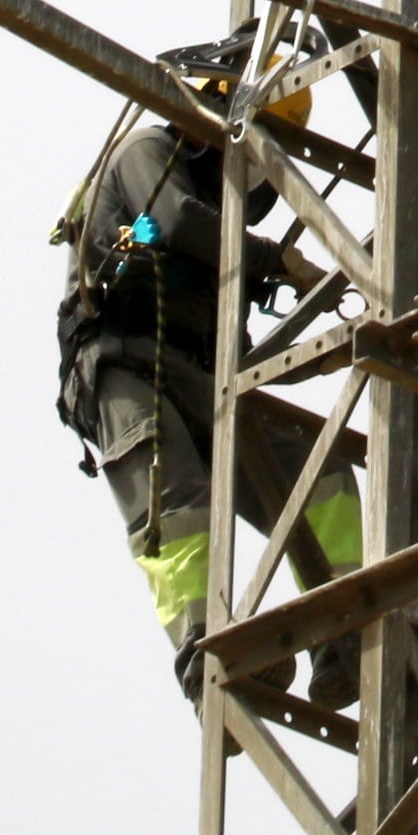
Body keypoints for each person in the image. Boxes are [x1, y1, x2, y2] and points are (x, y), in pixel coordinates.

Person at [54, 37, 368, 696]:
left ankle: (348, 630)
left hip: (203, 376)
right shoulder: (149, 156)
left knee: (321, 470)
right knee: (180, 500)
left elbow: (234, 332)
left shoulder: (221, 213)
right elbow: (171, 224)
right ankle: (208, 652)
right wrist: (276, 260)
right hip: (124, 363)